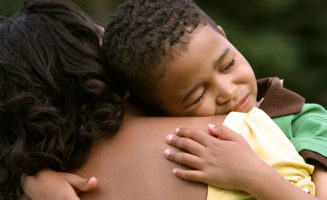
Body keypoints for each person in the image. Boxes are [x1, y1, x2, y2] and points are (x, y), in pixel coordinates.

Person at [21, 0, 327, 199]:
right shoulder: (172, 131)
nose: (228, 91)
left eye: (227, 64)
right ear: (159, 108)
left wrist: (251, 174)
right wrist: (33, 177)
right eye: (197, 95)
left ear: (224, 36)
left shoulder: (305, 119)